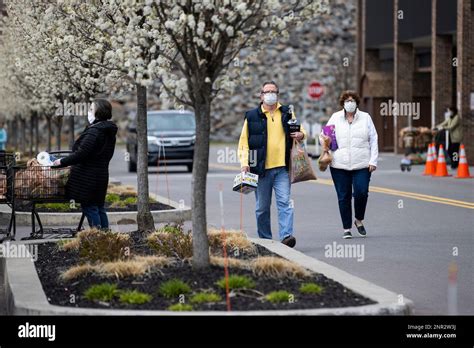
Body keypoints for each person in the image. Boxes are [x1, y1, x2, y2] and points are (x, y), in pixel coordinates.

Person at [238, 81, 306, 248]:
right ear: (261, 95)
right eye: (267, 91)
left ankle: (286, 236)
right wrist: (244, 162)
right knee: (262, 208)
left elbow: (301, 130)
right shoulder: (252, 116)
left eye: (273, 91)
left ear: (277, 94)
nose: (270, 94)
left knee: (285, 202)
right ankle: (266, 240)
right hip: (260, 170)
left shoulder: (287, 112)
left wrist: (301, 135)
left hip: (282, 168)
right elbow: (243, 142)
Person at [321, 90, 378, 239]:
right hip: (339, 164)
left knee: (361, 192)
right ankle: (346, 228)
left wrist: (373, 161)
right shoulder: (335, 117)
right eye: (347, 101)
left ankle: (358, 220)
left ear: (357, 103)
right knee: (343, 196)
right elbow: (325, 135)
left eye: (352, 101)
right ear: (343, 103)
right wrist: (325, 142)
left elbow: (374, 139)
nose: (350, 103)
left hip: (362, 164)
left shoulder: (365, 118)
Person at [53, 99, 117, 230]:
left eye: (91, 110)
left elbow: (81, 154)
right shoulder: (109, 131)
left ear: (98, 112)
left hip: (88, 177)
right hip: (101, 175)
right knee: (99, 206)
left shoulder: (95, 132)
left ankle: (97, 237)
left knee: (90, 206)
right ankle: (106, 238)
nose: (88, 112)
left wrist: (61, 162)